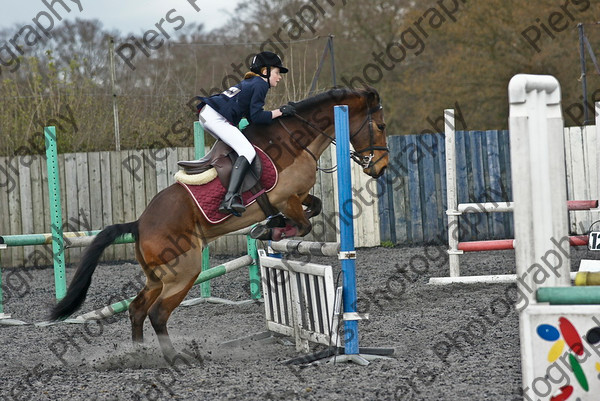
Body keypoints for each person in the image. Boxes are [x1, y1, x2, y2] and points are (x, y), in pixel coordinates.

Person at [197, 51, 295, 216]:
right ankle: (230, 198)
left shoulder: (252, 82)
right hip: (216, 118)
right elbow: (257, 116)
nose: (280, 77)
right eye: (277, 72)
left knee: (237, 151)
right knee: (247, 151)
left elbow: (252, 118)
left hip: (209, 114)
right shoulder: (261, 84)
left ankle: (231, 192)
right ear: (265, 71)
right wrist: (281, 111)